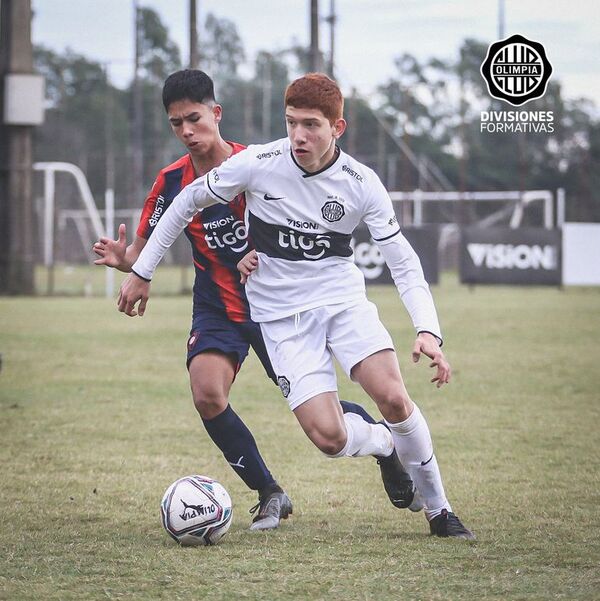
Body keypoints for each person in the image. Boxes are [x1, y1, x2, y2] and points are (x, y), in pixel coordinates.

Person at [117, 72, 474, 539]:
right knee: (329, 438)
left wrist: (428, 329)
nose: (299, 136)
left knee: (391, 395)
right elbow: (185, 201)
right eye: (291, 124)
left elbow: (404, 263)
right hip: (281, 318)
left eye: (311, 125)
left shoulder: (361, 182)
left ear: (337, 128)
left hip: (342, 302)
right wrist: (142, 271)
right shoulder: (260, 163)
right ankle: (385, 443)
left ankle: (440, 512)